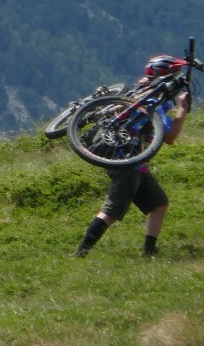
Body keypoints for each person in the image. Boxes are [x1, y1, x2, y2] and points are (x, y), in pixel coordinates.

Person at [73, 56, 190, 259]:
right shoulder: (154, 103)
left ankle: (149, 252)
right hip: (127, 164)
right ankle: (80, 254)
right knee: (111, 212)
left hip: (138, 164)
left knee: (159, 204)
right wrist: (182, 109)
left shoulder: (140, 92)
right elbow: (169, 138)